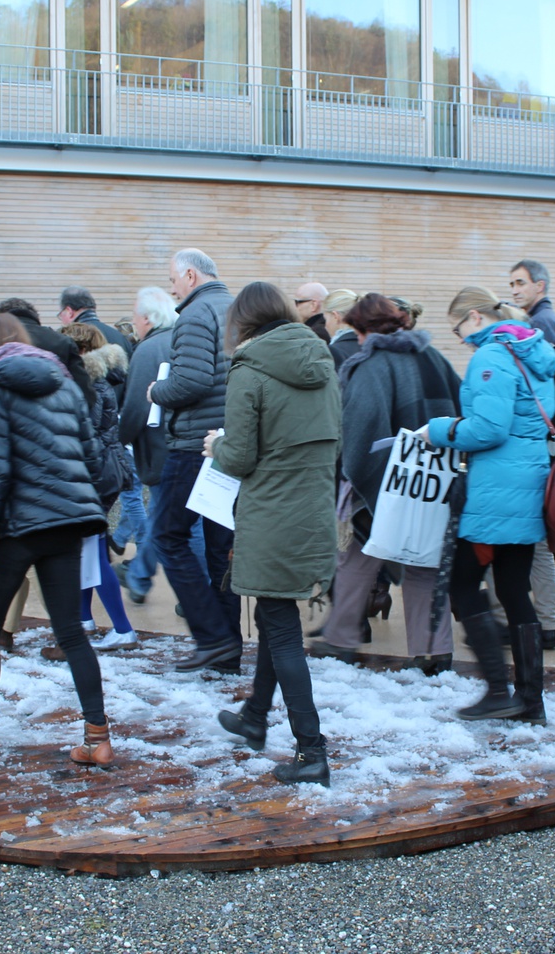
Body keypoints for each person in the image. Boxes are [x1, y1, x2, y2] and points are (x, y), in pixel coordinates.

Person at [0, 313, 115, 765]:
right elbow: (92, 457)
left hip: (16, 527)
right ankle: (97, 737)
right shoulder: (64, 384)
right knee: (71, 633)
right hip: (66, 523)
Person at [209, 283, 342, 786]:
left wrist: (216, 446)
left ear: (242, 322)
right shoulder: (323, 361)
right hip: (313, 509)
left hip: (271, 512)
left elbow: (240, 456)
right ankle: (255, 717)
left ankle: (312, 752)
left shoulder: (249, 369)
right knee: (275, 613)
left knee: (281, 628)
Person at [312, 293, 461, 671]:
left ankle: (341, 640)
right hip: (433, 481)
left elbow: (357, 429)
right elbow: (460, 406)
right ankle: (434, 652)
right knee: (424, 564)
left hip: (384, 482)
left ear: (365, 329)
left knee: (356, 558)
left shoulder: (372, 364)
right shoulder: (433, 356)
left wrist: (345, 471)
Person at [424, 288, 553, 724]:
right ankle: (530, 701)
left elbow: (489, 430)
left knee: (462, 584)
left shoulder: (491, 357)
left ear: (476, 317)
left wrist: (438, 430)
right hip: (528, 481)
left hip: (496, 489)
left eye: (458, 329)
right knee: (514, 590)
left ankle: (498, 690)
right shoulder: (531, 352)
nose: (460, 339)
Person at [148, 249, 241, 671]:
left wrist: (156, 392)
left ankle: (212, 636)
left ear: (190, 275)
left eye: (173, 279)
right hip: (229, 443)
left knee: (167, 536)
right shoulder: (236, 309)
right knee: (221, 551)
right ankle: (227, 652)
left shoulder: (194, 313)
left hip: (193, 446)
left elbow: (192, 381)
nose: (171, 289)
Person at [117, 286, 202, 605]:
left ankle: (197, 590)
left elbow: (136, 407)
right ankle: (141, 575)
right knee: (174, 517)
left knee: (176, 520)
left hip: (164, 450)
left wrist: (119, 439)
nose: (134, 323)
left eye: (135, 316)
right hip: (193, 444)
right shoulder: (187, 342)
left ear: (148, 319)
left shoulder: (148, 349)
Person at [62, 321, 139, 650]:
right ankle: (84, 619)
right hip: (102, 472)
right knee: (86, 550)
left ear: (79, 350)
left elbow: (84, 435)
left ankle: (122, 629)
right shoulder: (97, 379)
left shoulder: (87, 383)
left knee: (91, 552)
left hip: (93, 476)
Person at [508, 259, 555, 353]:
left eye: (521, 284)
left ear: (539, 286)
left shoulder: (540, 323)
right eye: (512, 285)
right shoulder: (548, 319)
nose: (514, 291)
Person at [59, 286, 133, 358]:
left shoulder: (68, 339)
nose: (61, 321)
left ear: (69, 311)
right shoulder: (121, 338)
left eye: (60, 315)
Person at [323, 289, 360, 367]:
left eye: (325, 319)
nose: (325, 326)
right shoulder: (369, 345)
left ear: (335, 316)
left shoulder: (335, 351)